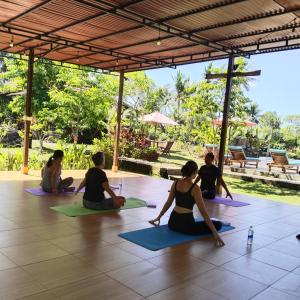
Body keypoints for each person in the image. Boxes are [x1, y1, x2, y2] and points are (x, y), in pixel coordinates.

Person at [149, 160, 225, 247]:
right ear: (195, 172)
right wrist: (215, 233)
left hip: (173, 223)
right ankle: (215, 227)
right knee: (218, 224)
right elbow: (203, 212)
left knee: (203, 223)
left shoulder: (176, 183)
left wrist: (158, 217)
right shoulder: (195, 188)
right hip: (187, 226)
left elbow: (168, 202)